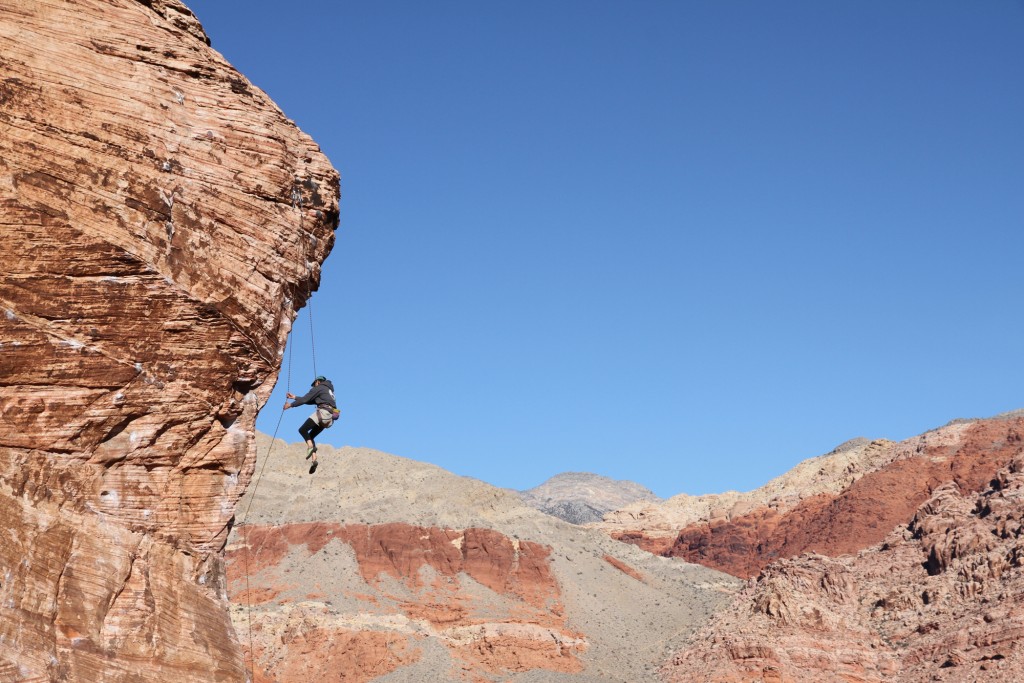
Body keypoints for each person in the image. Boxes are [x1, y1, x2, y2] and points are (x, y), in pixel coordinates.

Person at [284, 375, 337, 474]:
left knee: (302, 430)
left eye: (314, 385)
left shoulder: (319, 387)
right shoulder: (328, 390)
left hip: (322, 413)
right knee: (311, 436)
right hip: (329, 418)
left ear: (317, 382)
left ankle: (310, 447)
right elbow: (310, 400)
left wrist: (290, 405)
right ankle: (314, 459)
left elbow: (305, 399)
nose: (313, 387)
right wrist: (294, 397)